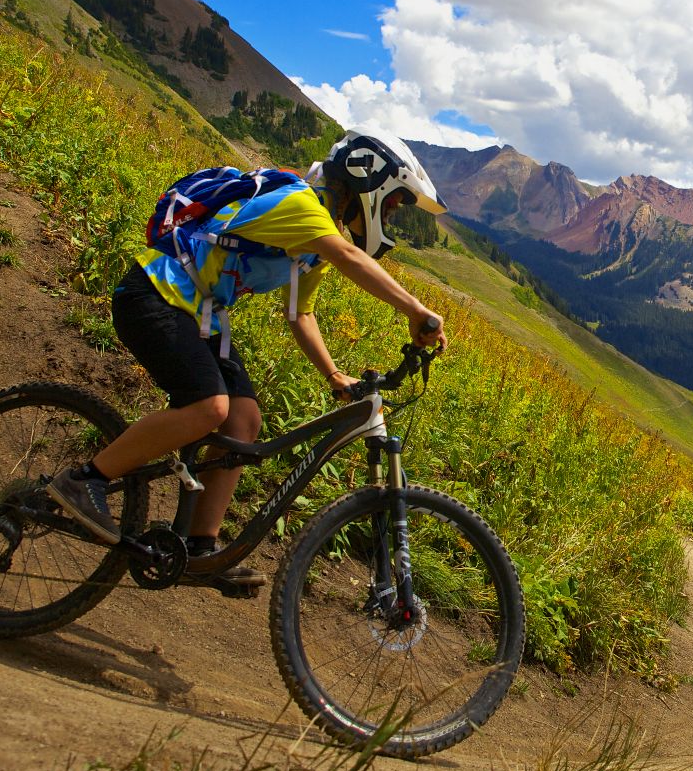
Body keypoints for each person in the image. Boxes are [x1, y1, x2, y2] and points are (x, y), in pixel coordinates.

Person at [47, 127, 448, 590]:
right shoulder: (302, 208)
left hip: (200, 315)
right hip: (155, 294)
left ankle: (201, 548)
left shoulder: (315, 243)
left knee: (243, 421)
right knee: (208, 408)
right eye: (395, 201)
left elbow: (301, 314)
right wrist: (416, 309)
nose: (393, 213)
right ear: (369, 179)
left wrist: (335, 374)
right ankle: (84, 480)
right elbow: (346, 257)